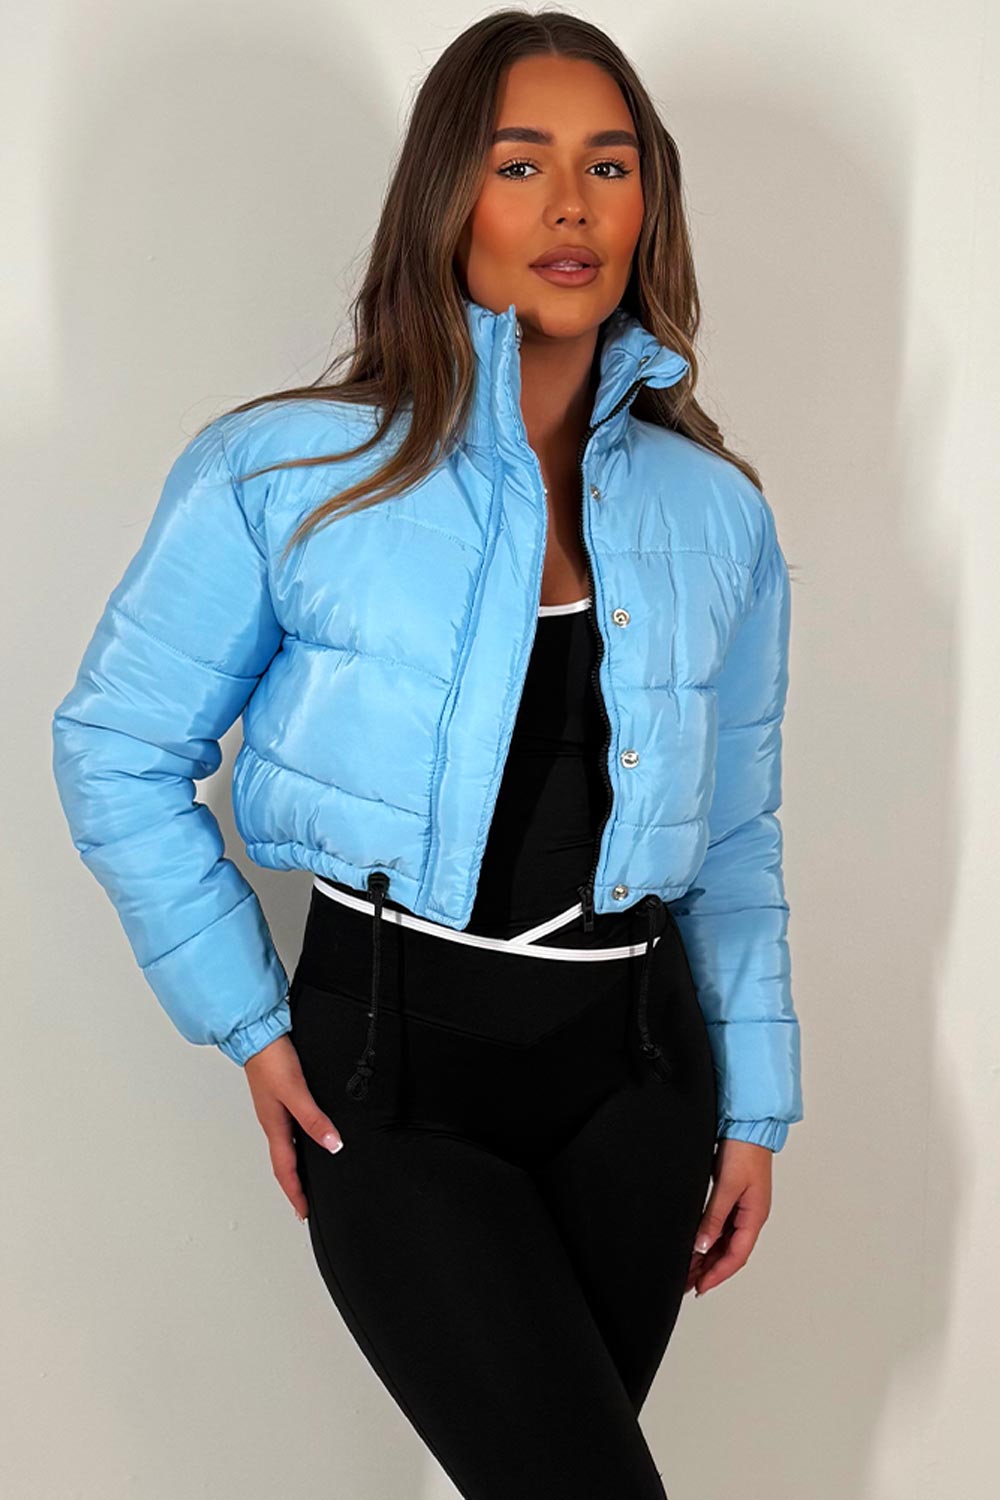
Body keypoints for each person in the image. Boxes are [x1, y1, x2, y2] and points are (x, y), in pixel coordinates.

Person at [50, 10, 803, 1497]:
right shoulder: (285, 473)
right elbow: (117, 748)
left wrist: (758, 1103)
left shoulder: (717, 512)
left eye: (610, 165)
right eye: (521, 165)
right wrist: (247, 1022)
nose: (571, 206)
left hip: (640, 1084)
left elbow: (735, 836)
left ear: (649, 204)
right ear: (449, 195)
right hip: (391, 1079)